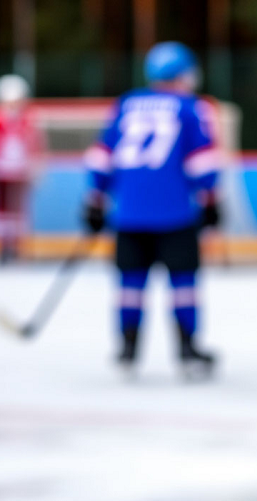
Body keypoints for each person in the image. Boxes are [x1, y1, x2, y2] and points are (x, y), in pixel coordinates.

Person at [82, 42, 222, 380]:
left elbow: (102, 157)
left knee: (130, 284)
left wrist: (95, 199)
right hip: (175, 214)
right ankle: (188, 350)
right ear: (183, 74)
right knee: (183, 283)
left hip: (128, 215)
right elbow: (202, 162)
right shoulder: (190, 108)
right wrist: (211, 200)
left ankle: (127, 350)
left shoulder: (125, 104)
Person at [0, 74, 45, 265]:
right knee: (0, 210)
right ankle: (1, 247)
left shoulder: (29, 119)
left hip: (21, 173)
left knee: (20, 212)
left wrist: (36, 167)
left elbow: (35, 144)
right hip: (0, 173)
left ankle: (17, 247)